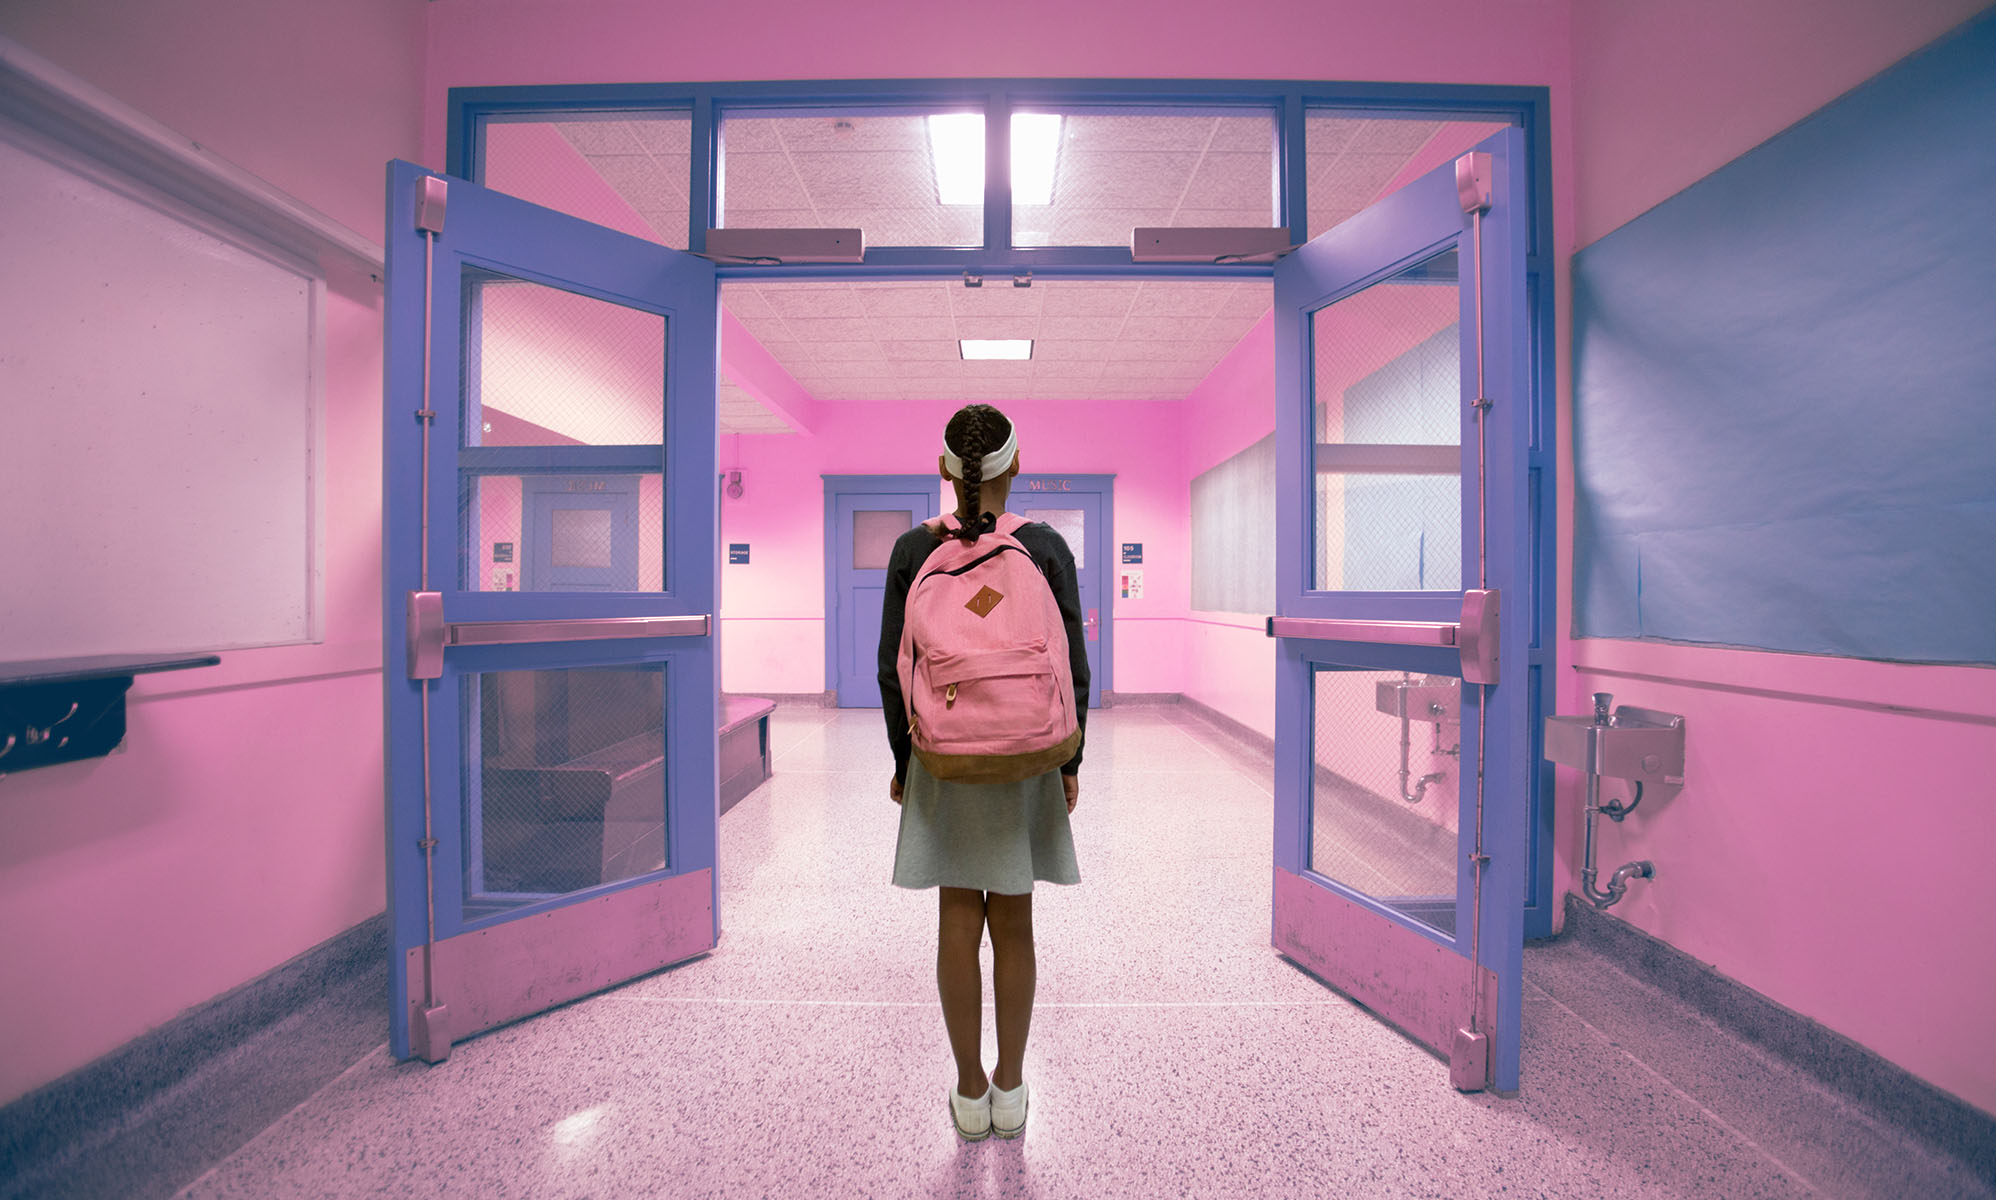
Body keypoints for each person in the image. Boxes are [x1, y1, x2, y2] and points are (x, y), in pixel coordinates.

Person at [877, 403, 1089, 1141]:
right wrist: (1069, 762)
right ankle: (1011, 1084)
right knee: (1016, 921)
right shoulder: (1046, 548)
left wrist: (907, 765)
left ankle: (969, 1092)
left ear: (944, 469)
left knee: (957, 918)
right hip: (1027, 757)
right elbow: (1072, 665)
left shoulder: (913, 550)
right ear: (1016, 465)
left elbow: (892, 670)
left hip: (946, 757)